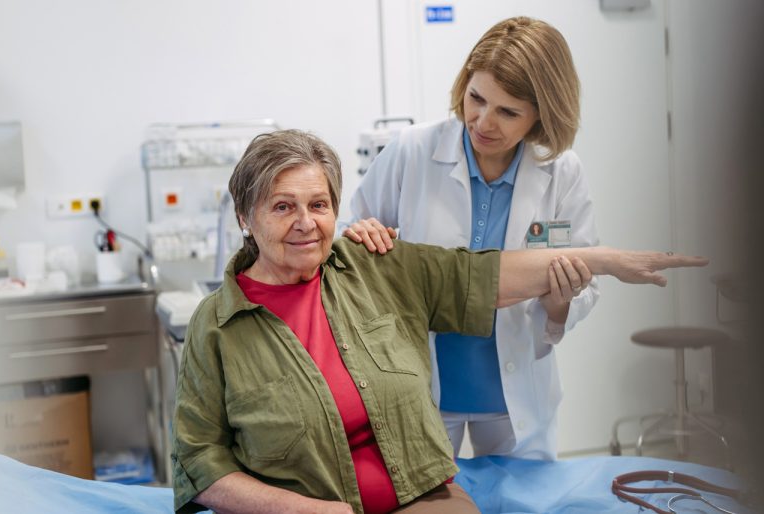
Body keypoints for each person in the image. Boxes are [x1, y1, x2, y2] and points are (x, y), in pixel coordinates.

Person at [171, 129, 707, 514]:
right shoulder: (216, 328)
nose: (307, 223)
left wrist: (605, 260)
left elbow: (486, 276)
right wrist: (295, 510)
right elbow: (199, 457)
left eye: (319, 204)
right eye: (283, 207)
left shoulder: (376, 268)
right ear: (245, 217)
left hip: (424, 498)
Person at [344, 16, 596, 460]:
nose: (482, 121)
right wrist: (361, 235)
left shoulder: (561, 171)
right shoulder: (413, 150)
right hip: (422, 389)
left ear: (541, 115)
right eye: (476, 97)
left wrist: (561, 303)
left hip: (515, 397)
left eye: (508, 111)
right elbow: (352, 241)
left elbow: (587, 282)